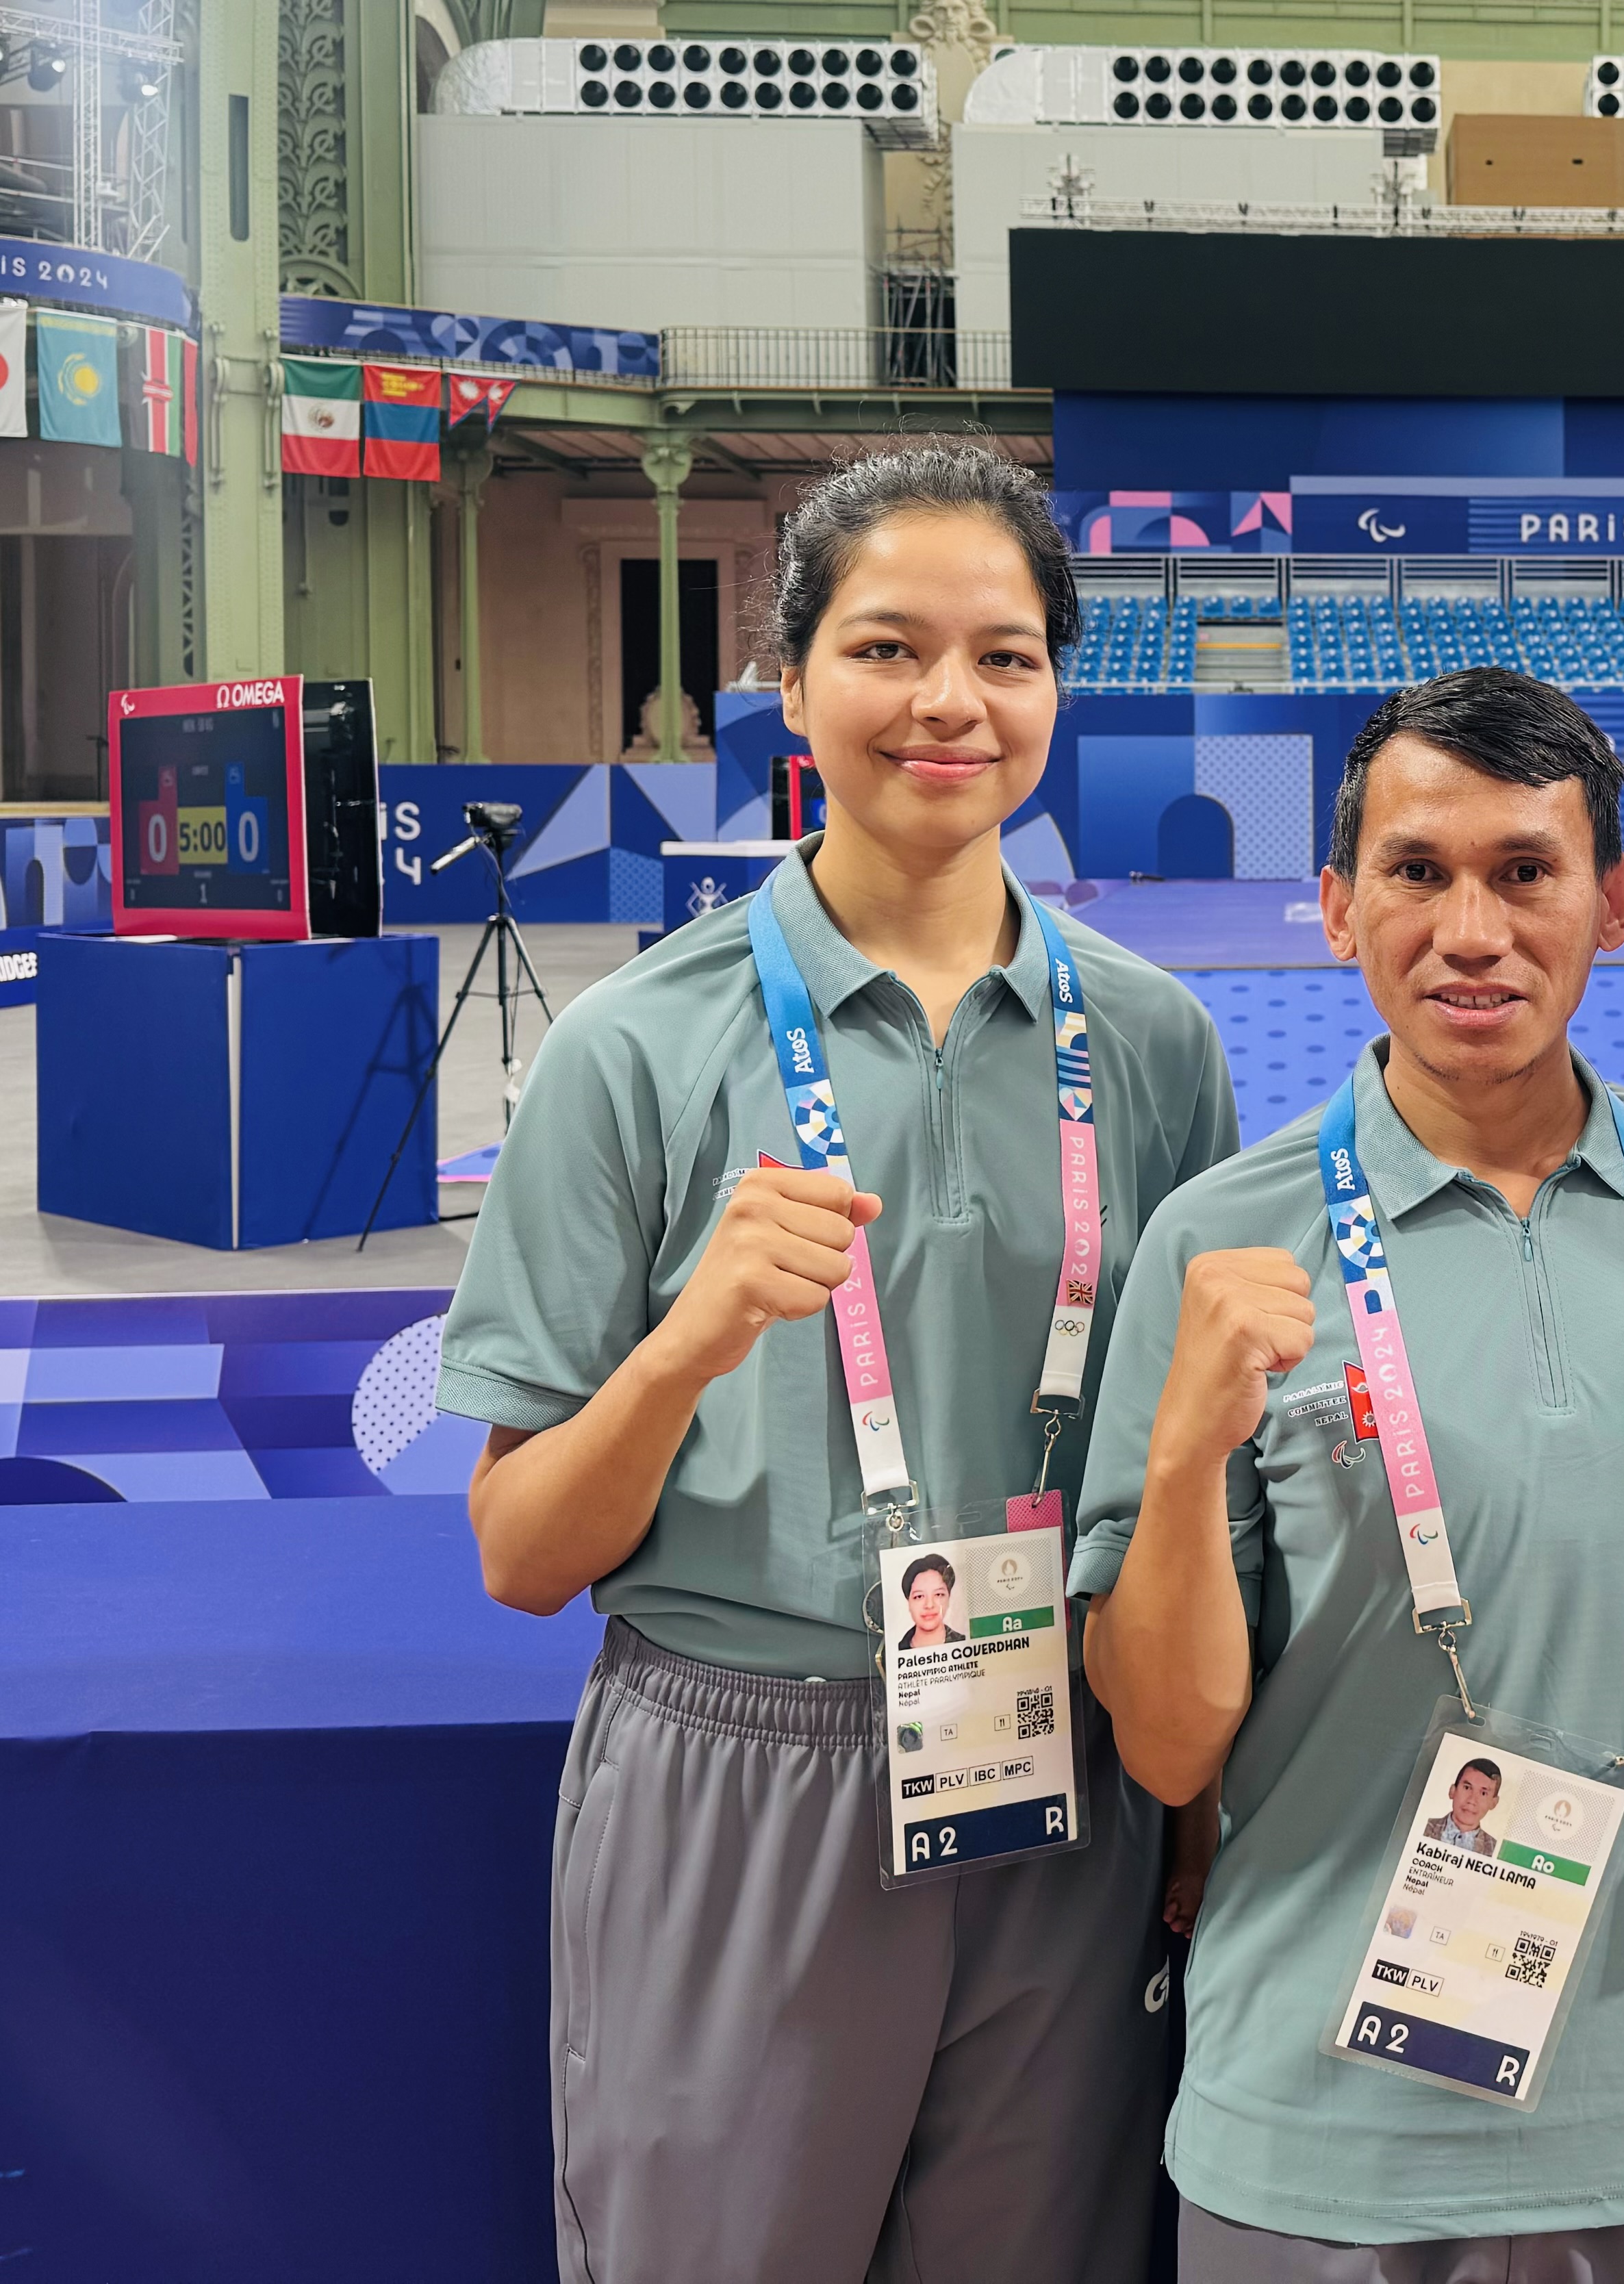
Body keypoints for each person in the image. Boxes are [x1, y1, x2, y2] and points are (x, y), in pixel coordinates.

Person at [437, 443, 1240, 2284]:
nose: (949, 702)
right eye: (887, 649)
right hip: (745, 1774)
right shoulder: (638, 1051)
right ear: (788, 685)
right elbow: (520, 1554)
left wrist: (1196, 1802)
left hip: (1060, 1776)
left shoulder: (1155, 1047)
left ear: (1055, 690)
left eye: (1006, 656)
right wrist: (686, 1344)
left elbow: (1181, 1478)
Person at [1076, 667, 1624, 2280]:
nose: (1471, 929)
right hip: (1320, 2136)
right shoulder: (1220, 1239)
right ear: (1333, 906)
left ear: (1616, 901)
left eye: (1526, 871)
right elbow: (1167, 1748)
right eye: (1417, 871)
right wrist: (1181, 1454)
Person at [1422, 1758, 1502, 1855]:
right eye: (1467, 1788)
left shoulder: (1496, 1850)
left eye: (1483, 1793)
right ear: (1452, 1791)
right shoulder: (1423, 1827)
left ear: (1493, 1803)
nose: (1472, 1800)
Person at [899, 1552, 963, 1649]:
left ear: (949, 1598)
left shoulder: (966, 1644)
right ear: (909, 1602)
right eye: (919, 1596)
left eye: (938, 1595)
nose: (929, 1605)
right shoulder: (894, 1653)